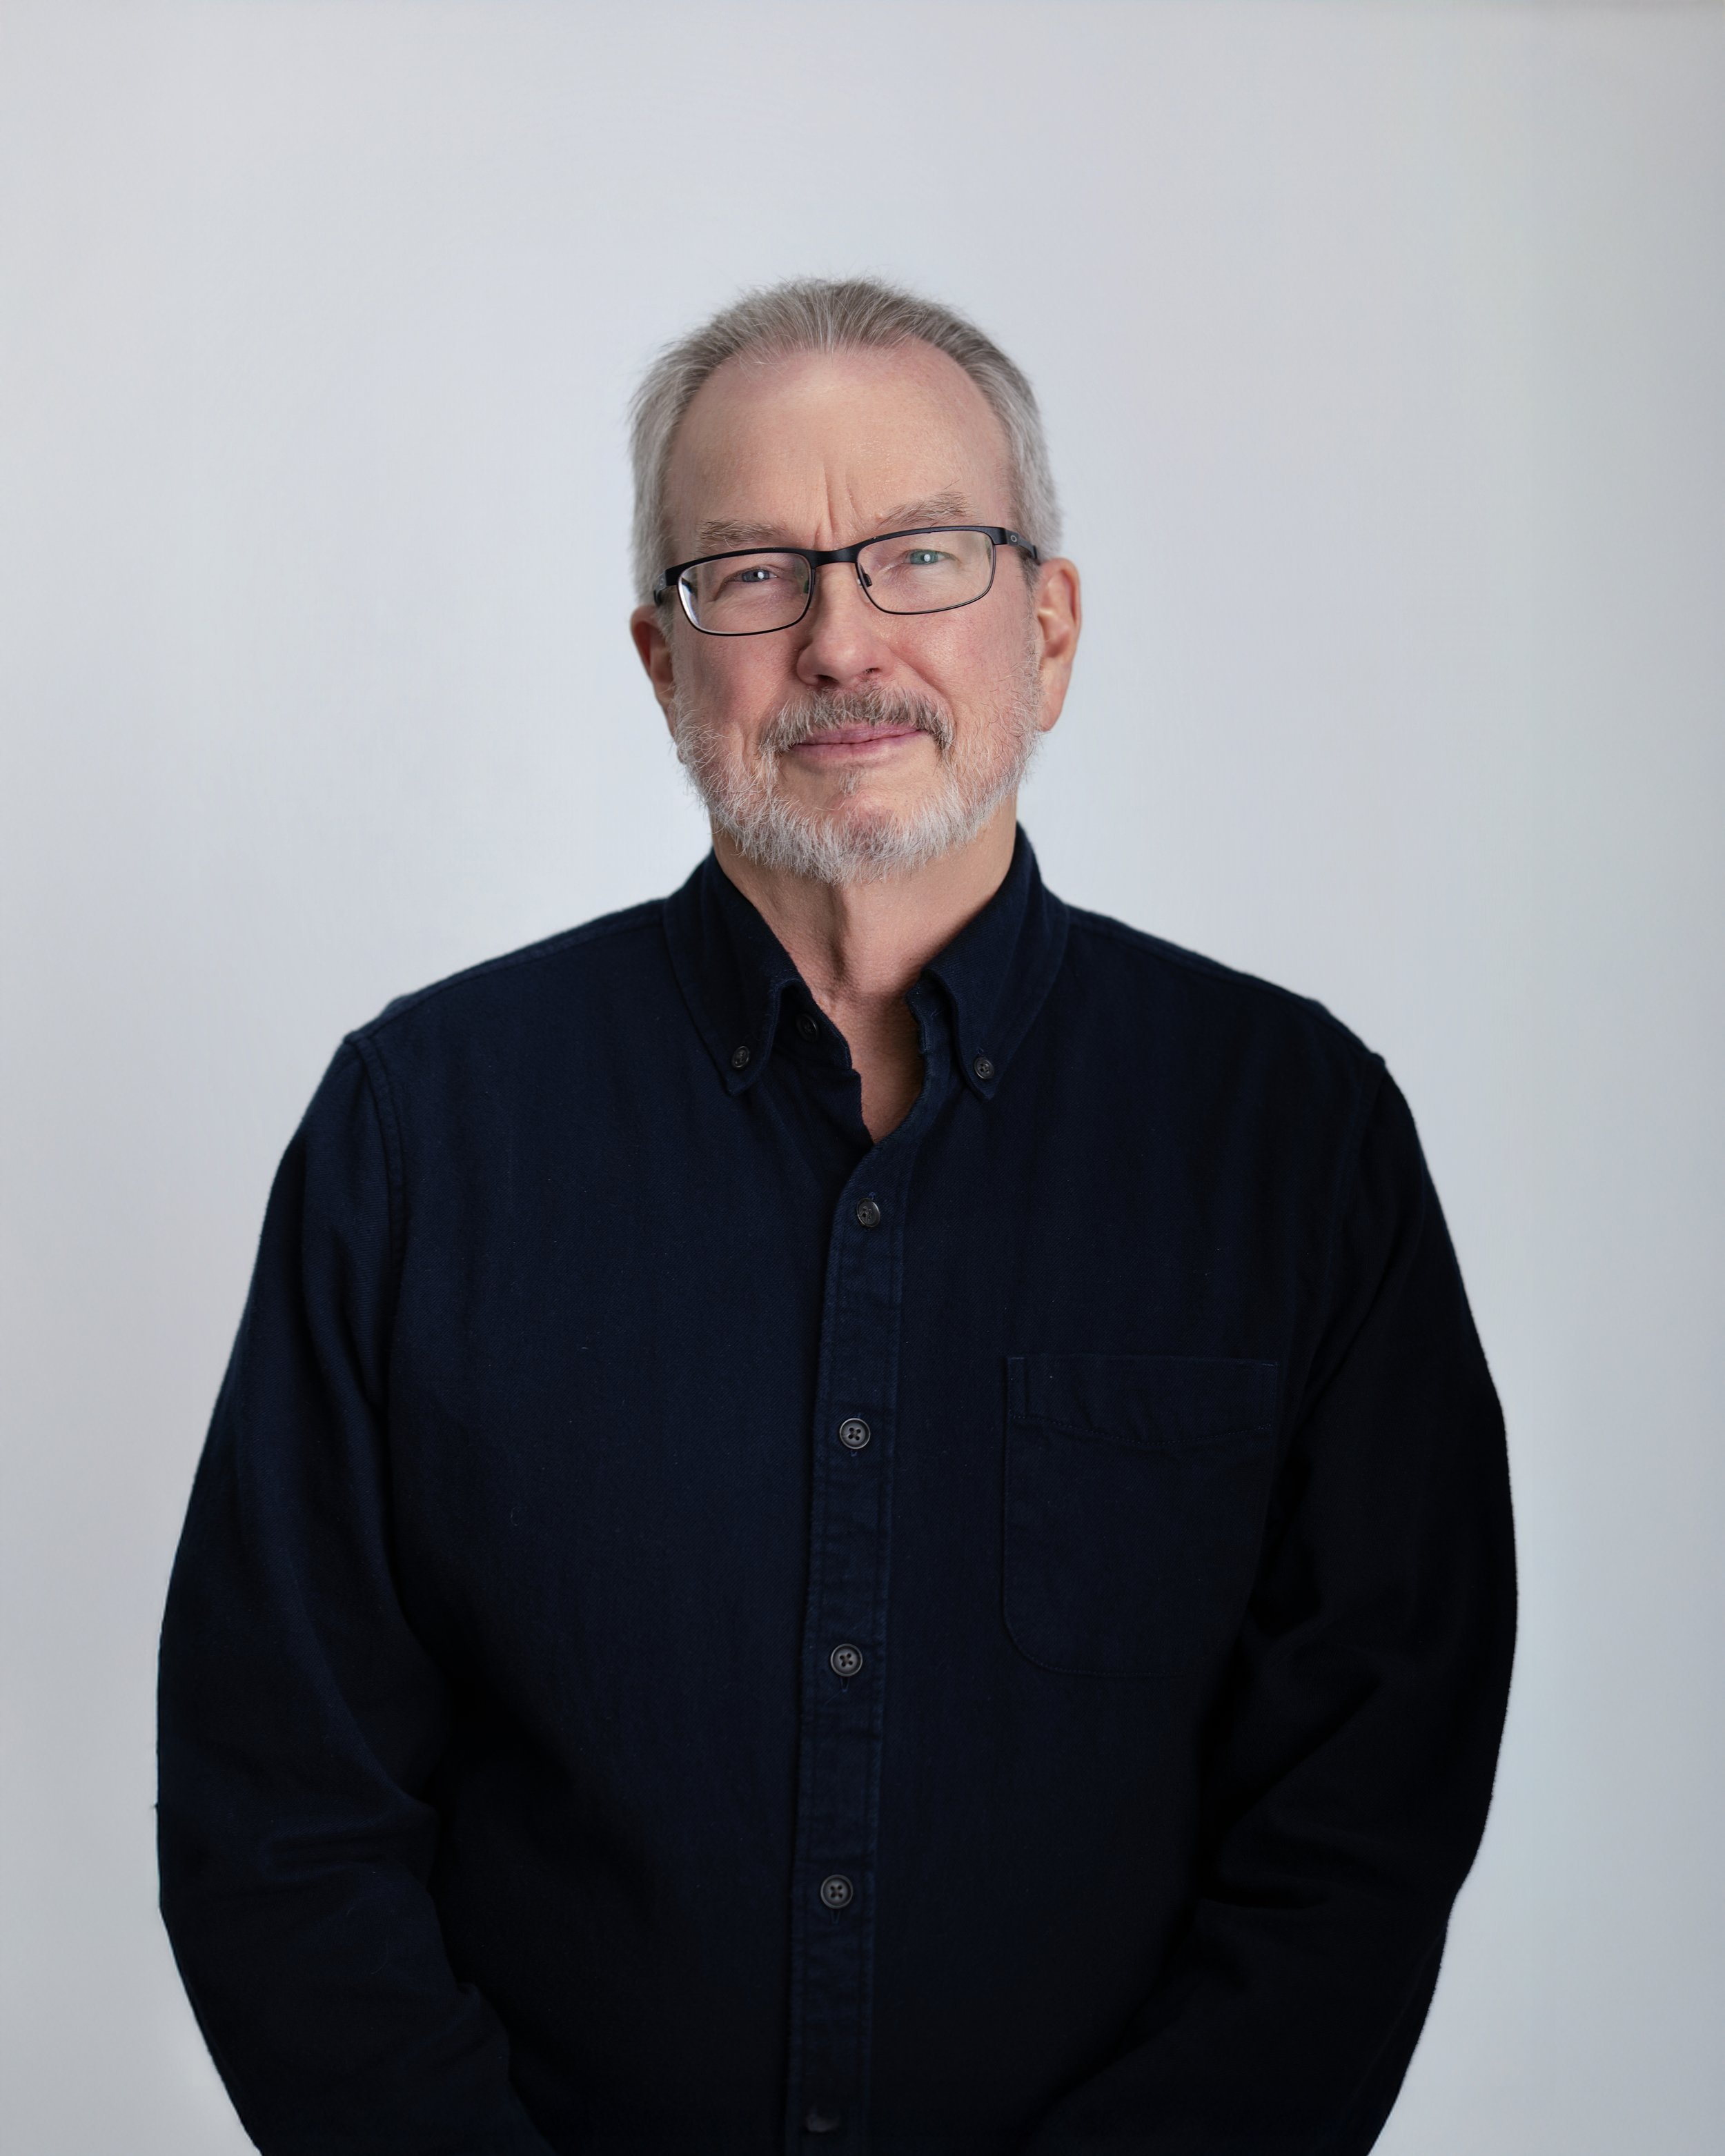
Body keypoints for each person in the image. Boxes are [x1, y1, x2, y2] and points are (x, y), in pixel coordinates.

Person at [157, 276, 1516, 2156]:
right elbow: (278, 1809)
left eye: (920, 556)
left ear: (1046, 628)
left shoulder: (1288, 1136)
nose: (839, 641)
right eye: (754, 573)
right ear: (659, 659)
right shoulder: (421, 1129)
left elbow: (1358, 1823)